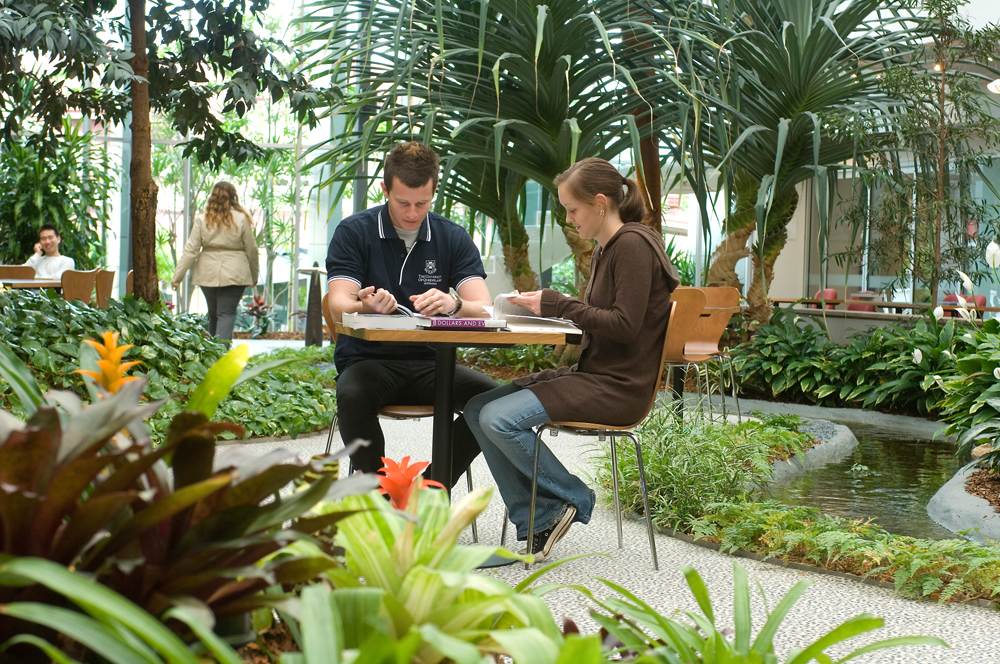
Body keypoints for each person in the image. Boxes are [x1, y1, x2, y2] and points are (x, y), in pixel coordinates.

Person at [464, 157, 679, 560]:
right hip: (594, 375)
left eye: (572, 209)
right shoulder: (606, 249)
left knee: (498, 418)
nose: (569, 218)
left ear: (600, 203)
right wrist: (543, 309)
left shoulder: (632, 245)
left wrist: (559, 304)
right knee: (478, 408)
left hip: (617, 388)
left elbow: (624, 325)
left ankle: (570, 497)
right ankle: (539, 518)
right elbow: (598, 320)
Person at [326, 141, 498, 488]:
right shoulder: (354, 231)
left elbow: (485, 307)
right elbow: (337, 304)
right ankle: (383, 496)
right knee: (351, 396)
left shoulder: (452, 237)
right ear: (384, 189)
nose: (412, 213)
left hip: (435, 363)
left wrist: (455, 304)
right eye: (402, 202)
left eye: (423, 203)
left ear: (434, 192)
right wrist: (364, 305)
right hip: (368, 361)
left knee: (495, 403)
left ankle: (427, 489)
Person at [172, 181, 259, 347]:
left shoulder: (203, 218)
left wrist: (178, 277)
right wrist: (254, 276)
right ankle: (220, 357)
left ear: (212, 196)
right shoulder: (241, 218)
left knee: (213, 314)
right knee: (226, 314)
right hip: (235, 272)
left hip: (207, 272)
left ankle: (211, 356)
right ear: (234, 196)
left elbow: (191, 249)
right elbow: (252, 250)